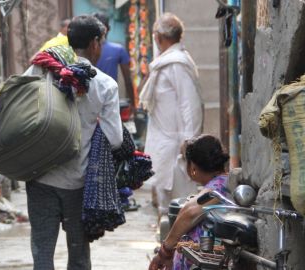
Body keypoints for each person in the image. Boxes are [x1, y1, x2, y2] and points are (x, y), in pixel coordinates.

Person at [23, 15, 123, 270]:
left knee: (42, 254)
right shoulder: (105, 85)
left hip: (39, 176)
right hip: (77, 183)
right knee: (78, 257)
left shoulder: (42, 68)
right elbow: (115, 140)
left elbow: (19, 101)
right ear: (95, 43)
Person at [138, 13, 203, 217]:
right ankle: (167, 244)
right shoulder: (166, 62)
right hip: (164, 142)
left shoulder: (177, 63)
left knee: (179, 203)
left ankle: (177, 245)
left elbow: (190, 105)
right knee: (165, 201)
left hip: (176, 145)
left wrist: (189, 140)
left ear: (158, 37)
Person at [149, 134, 229, 270]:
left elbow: (190, 213)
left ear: (193, 167)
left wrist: (164, 252)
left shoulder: (219, 186)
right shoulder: (221, 182)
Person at [93, 12, 135, 107]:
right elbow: (128, 80)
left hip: (90, 101)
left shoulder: (84, 50)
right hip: (111, 101)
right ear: (108, 28)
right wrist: (133, 105)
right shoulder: (118, 49)